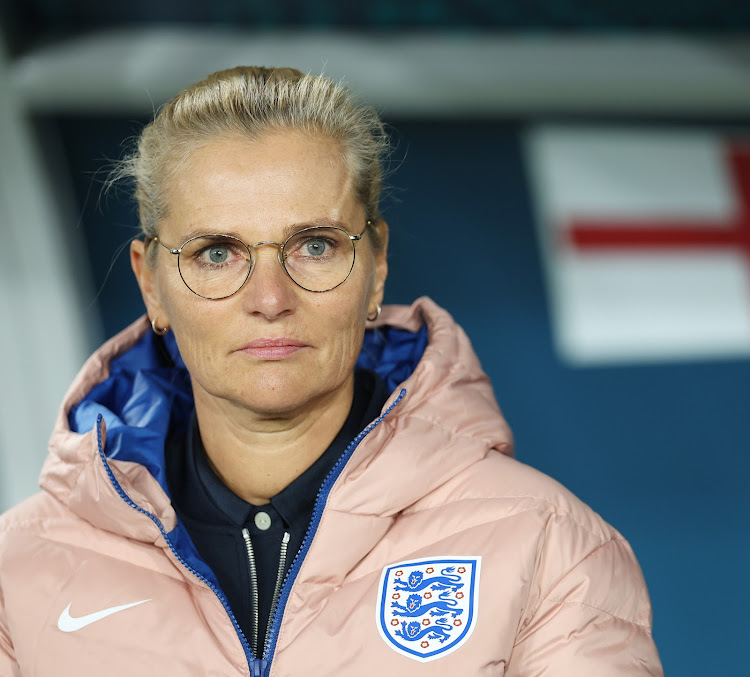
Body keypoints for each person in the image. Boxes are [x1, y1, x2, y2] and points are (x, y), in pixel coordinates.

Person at [0, 66, 663, 676]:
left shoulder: (546, 543)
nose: (269, 297)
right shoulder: (14, 574)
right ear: (152, 285)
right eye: (217, 252)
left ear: (375, 267)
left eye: (313, 246)